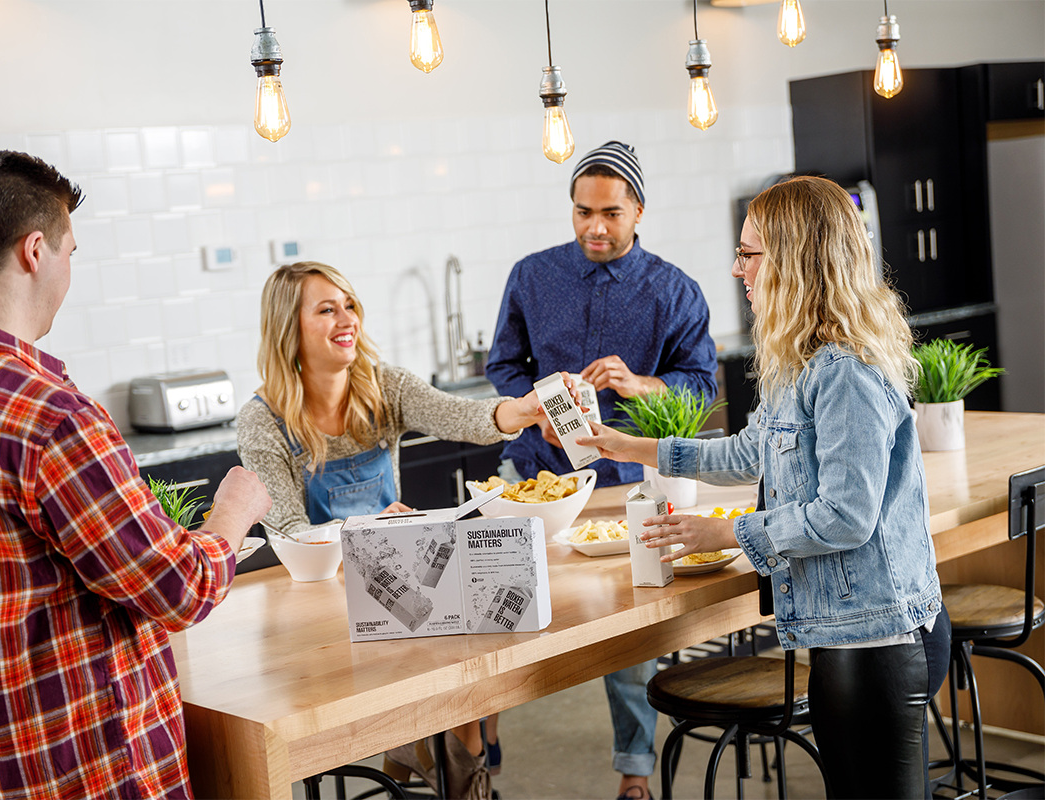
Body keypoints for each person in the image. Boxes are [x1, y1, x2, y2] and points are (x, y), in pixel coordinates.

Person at [0, 151, 272, 800]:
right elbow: (181, 589)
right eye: (70, 251)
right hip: (87, 777)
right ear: (34, 252)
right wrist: (233, 510)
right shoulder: (50, 414)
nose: (68, 270)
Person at [577, 175, 951, 799]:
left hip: (879, 638)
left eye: (749, 254)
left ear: (797, 262)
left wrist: (725, 531)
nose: (735, 268)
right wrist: (628, 446)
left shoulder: (844, 371)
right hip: (845, 633)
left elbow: (846, 517)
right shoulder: (800, 363)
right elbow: (750, 452)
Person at [236, 260, 579, 799]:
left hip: (400, 580)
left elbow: (461, 418)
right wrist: (367, 530)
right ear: (290, 328)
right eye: (326, 309)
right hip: (321, 601)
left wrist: (525, 409)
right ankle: (431, 766)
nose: (346, 317)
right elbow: (289, 530)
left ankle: (436, 772)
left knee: (474, 657)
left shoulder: (382, 386)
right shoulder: (264, 420)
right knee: (453, 672)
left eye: (348, 304)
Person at [485, 140, 718, 800]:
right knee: (495, 613)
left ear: (639, 210)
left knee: (630, 635)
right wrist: (532, 406)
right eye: (583, 211)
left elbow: (702, 387)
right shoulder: (531, 276)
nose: (595, 226)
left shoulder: (675, 291)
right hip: (533, 473)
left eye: (610, 213)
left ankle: (634, 774)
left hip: (625, 484)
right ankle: (482, 757)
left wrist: (642, 384)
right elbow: (502, 366)